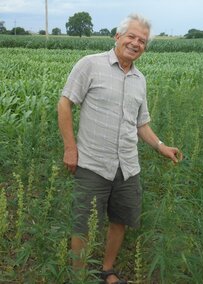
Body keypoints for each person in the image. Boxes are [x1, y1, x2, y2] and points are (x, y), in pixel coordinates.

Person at [57, 13, 182, 284]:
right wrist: (70, 148)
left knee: (120, 220)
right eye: (131, 37)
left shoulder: (140, 80)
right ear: (117, 36)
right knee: (83, 226)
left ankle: (107, 270)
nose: (136, 43)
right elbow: (65, 103)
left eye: (142, 41)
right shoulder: (90, 65)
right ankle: (78, 277)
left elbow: (141, 124)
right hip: (92, 163)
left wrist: (161, 147)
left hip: (127, 166)